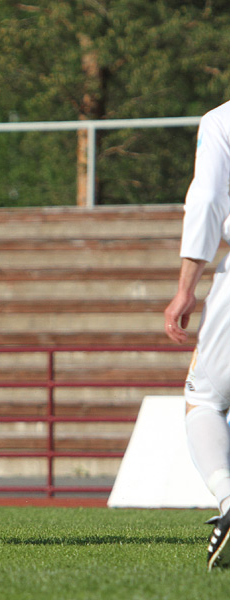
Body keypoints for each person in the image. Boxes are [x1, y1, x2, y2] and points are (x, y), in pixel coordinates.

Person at [164, 99, 230, 571]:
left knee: (204, 397)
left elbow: (207, 200)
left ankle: (229, 498)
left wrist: (185, 288)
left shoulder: (220, 120)